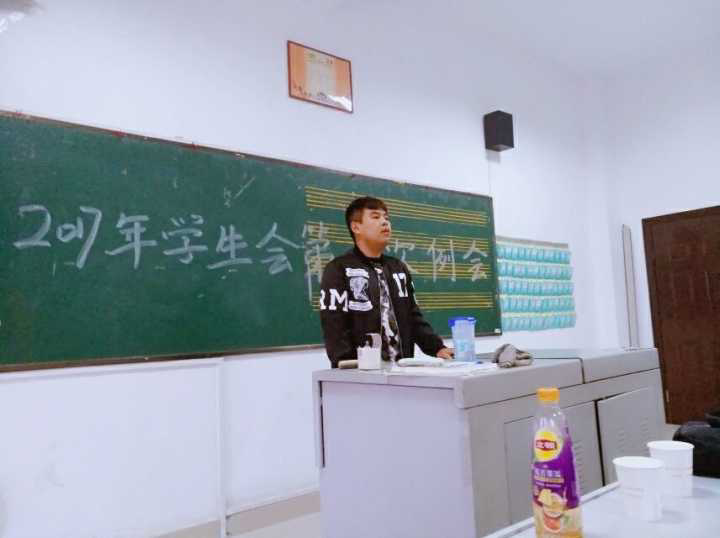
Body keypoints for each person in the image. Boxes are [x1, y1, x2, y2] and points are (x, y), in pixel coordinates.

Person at [319, 196, 454, 368]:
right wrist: (349, 366)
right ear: (356, 227)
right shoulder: (339, 269)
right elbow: (334, 325)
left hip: (402, 371)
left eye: (386, 218)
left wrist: (437, 348)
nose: (385, 222)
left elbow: (413, 317)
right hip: (360, 373)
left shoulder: (398, 268)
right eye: (375, 217)